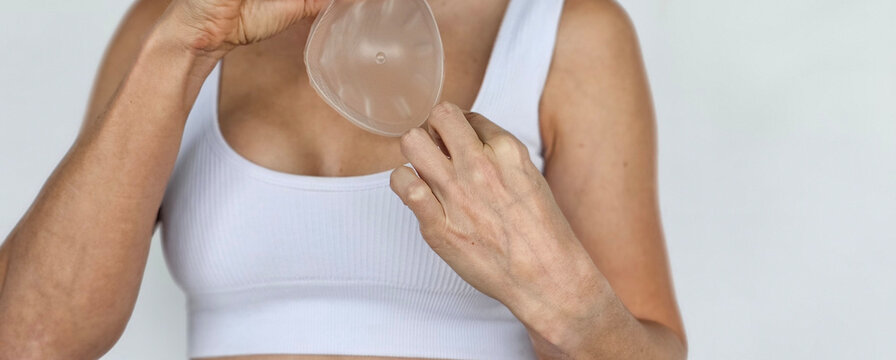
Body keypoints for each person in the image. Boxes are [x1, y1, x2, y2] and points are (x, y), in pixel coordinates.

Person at [0, 0, 686, 359]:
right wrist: (188, 44)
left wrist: (564, 303)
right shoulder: (175, 26)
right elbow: (28, 344)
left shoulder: (568, 33)